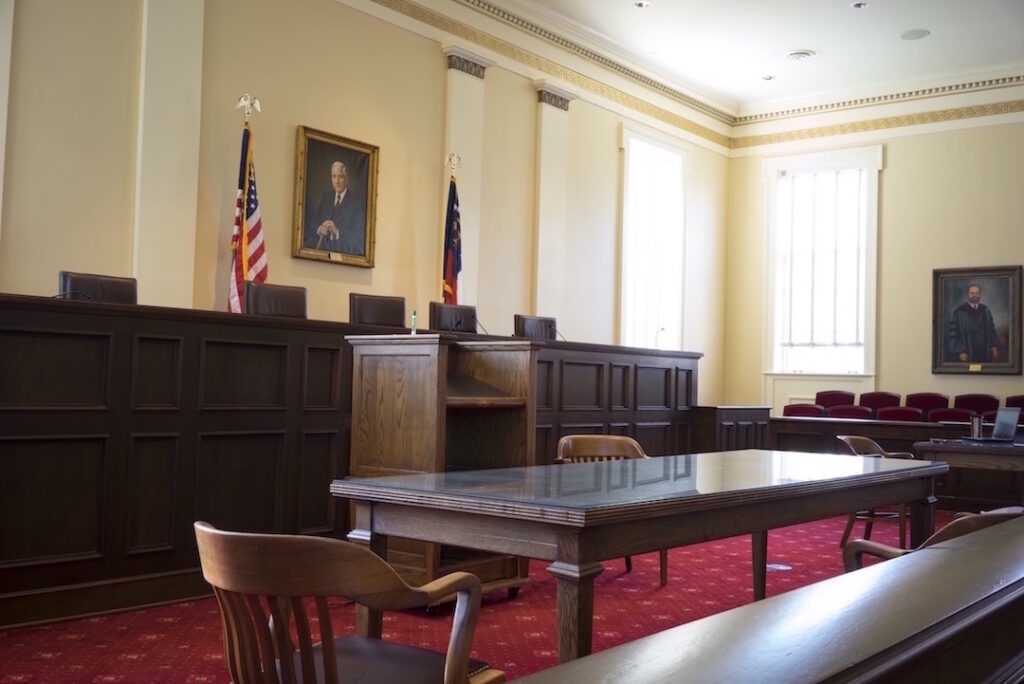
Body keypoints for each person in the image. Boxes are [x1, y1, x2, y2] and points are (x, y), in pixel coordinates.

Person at [305, 161, 366, 256]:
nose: (337, 181)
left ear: (346, 179)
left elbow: (358, 236)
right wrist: (320, 228)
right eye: (334, 176)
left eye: (340, 177)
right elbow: (315, 220)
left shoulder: (356, 203)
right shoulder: (326, 196)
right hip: (322, 253)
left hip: (343, 255)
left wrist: (337, 231)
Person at [948, 283, 999, 362]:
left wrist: (994, 346)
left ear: (980, 294)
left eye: (977, 293)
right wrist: (960, 351)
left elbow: (991, 329)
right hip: (967, 352)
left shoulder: (985, 310)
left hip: (984, 352)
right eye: (972, 293)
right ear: (967, 294)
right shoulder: (959, 311)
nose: (975, 295)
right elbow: (953, 333)